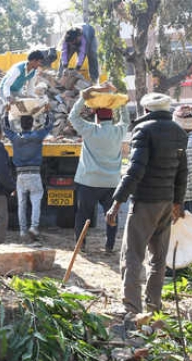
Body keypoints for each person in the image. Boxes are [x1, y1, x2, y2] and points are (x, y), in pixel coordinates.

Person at [106, 93, 187, 315]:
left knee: (132, 255)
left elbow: (135, 170)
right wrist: (178, 202)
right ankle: (154, 306)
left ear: (146, 111)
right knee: (158, 259)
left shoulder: (143, 131)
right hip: (166, 203)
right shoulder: (180, 132)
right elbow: (182, 172)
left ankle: (131, 308)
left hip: (145, 203)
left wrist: (117, 202)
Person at [68, 85, 130, 252]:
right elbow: (126, 121)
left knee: (83, 214)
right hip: (111, 183)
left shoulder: (89, 130)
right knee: (111, 215)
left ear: (97, 117)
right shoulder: (118, 131)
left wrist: (83, 97)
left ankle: (81, 245)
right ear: (111, 116)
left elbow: (72, 117)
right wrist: (122, 103)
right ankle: (109, 246)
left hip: (88, 181)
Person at [3, 111, 53, 243]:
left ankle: (22, 231)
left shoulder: (15, 138)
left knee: (22, 205)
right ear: (32, 125)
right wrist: (49, 111)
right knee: (36, 202)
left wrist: (6, 112)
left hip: (20, 176)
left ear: (20, 125)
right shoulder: (38, 136)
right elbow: (49, 125)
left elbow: (5, 127)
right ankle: (34, 227)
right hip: (35, 174)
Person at [173, 105, 192, 214]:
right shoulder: (189, 140)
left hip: (185, 197)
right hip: (185, 196)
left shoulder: (189, 143)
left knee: (182, 230)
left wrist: (177, 200)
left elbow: (186, 174)